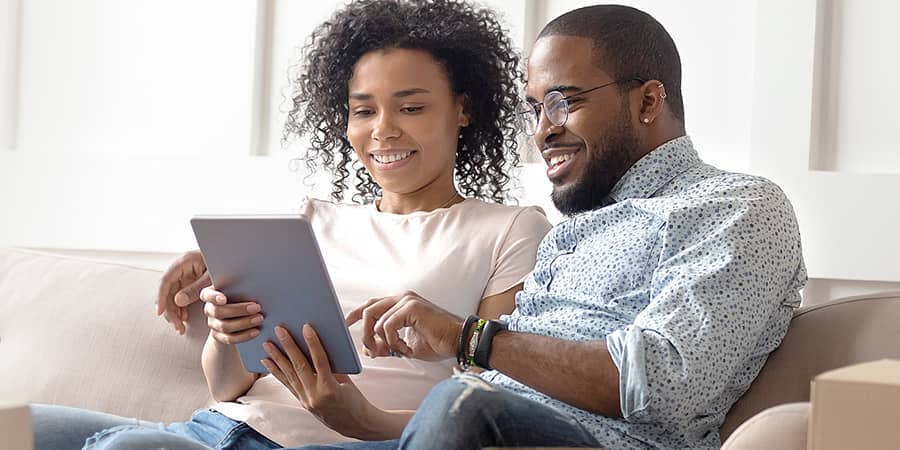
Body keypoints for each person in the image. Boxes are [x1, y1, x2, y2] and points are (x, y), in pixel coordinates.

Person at [30, 1, 551, 449]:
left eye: (411, 107)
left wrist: (361, 419)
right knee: (22, 425)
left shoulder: (509, 230)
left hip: (335, 442)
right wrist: (228, 334)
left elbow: (482, 413)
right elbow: (227, 387)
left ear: (463, 109)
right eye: (363, 111)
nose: (384, 130)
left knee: (133, 445)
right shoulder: (312, 221)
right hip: (219, 429)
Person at [291, 4, 808, 450]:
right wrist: (363, 419)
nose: (543, 131)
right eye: (536, 109)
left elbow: (665, 383)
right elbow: (490, 400)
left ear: (648, 102)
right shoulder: (569, 234)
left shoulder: (738, 206)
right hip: (488, 426)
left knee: (464, 401)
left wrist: (468, 336)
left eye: (566, 102)